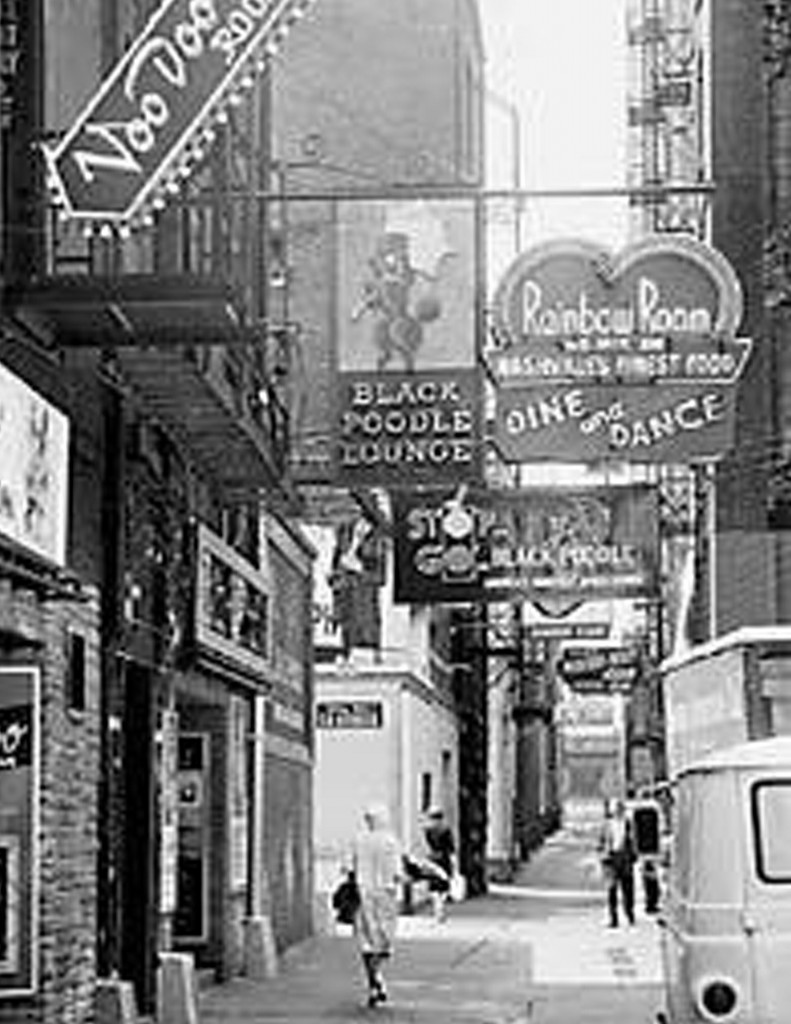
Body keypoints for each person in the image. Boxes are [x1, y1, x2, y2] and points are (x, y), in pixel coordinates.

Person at [349, 802, 403, 1007]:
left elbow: (348, 867)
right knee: (384, 940)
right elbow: (397, 873)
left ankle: (375, 981)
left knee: (366, 940)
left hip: (363, 895)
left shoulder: (358, 840)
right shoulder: (391, 842)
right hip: (386, 895)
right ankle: (377, 978)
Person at [598, 798, 637, 928]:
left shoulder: (628, 823)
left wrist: (633, 855)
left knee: (628, 890)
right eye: (615, 809)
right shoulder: (606, 825)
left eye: (620, 808)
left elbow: (633, 840)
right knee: (611, 890)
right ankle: (613, 919)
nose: (617, 811)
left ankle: (630, 914)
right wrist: (602, 855)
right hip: (611, 860)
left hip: (625, 859)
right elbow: (601, 842)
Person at [424, 807, 455, 922]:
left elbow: (427, 846)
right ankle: (440, 908)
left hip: (432, 859)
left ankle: (437, 909)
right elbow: (451, 848)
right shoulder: (446, 830)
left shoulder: (427, 831)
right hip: (444, 860)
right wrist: (454, 863)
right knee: (444, 887)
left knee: (433, 887)